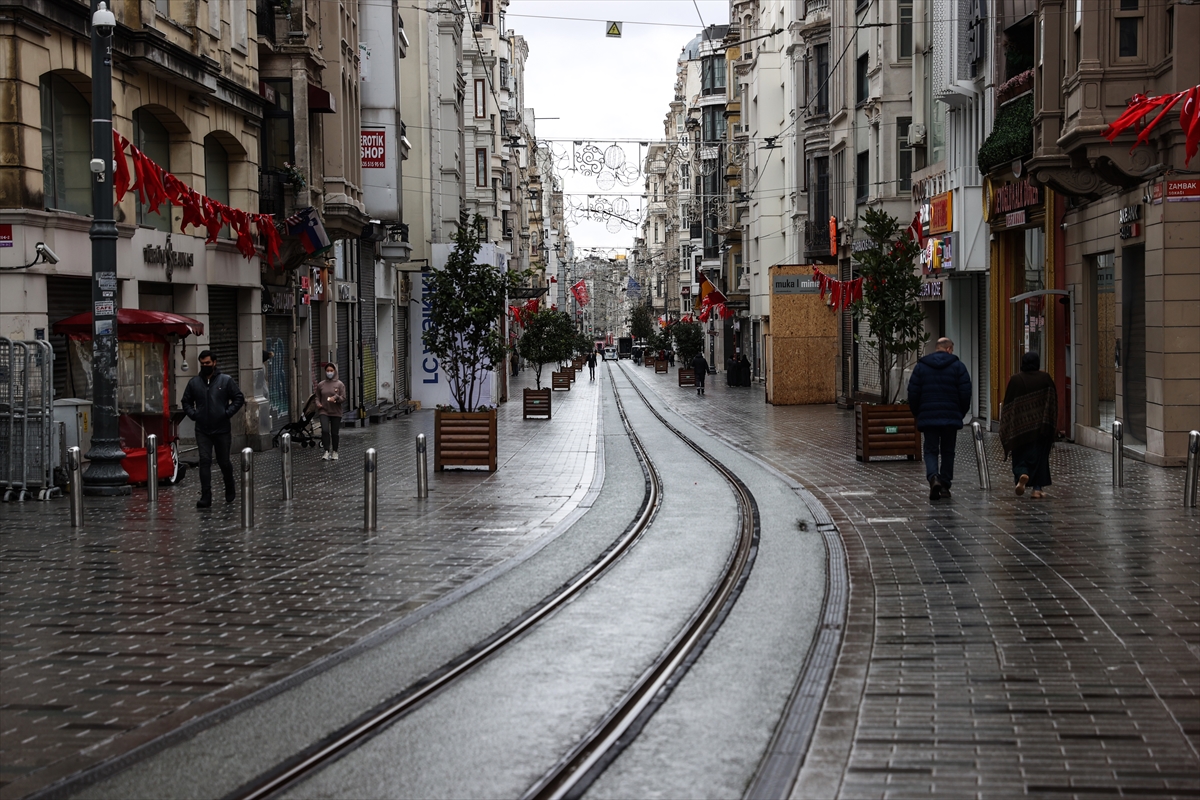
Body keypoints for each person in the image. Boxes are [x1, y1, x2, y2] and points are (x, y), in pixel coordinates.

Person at [906, 337, 972, 501]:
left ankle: (933, 476)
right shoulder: (958, 367)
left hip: (929, 416)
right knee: (948, 451)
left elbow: (913, 392)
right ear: (949, 349)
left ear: (937, 348)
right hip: (950, 416)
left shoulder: (921, 367)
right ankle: (945, 485)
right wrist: (961, 413)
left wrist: (918, 413)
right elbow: (965, 393)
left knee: (930, 449)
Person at [182, 350, 245, 508]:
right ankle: (206, 495)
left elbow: (239, 398)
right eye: (202, 364)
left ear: (214, 363)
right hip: (202, 428)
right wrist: (194, 414)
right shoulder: (194, 383)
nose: (205, 366)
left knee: (224, 461)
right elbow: (186, 401)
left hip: (222, 428)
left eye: (208, 363)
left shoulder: (226, 381)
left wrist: (227, 413)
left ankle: (229, 487)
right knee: (204, 461)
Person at [1000, 351, 1057, 498]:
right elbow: (1052, 402)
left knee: (1020, 456)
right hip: (1041, 429)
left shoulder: (1015, 380)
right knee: (1040, 458)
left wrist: (1008, 426)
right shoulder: (1045, 378)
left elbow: (1008, 405)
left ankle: (1022, 474)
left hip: (1019, 429)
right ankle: (1037, 489)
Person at [316, 363, 347, 461]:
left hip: (336, 411)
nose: (329, 372)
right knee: (325, 430)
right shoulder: (321, 384)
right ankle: (326, 451)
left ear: (335, 371)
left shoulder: (340, 384)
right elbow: (317, 397)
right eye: (327, 371)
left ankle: (335, 451)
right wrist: (318, 404)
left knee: (334, 432)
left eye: (331, 370)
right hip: (324, 410)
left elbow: (343, 398)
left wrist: (336, 397)